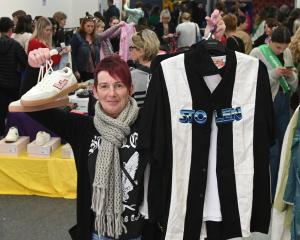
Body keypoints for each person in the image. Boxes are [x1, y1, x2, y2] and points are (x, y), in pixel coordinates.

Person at [24, 52, 147, 240]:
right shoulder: (82, 129)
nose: (111, 93)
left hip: (139, 232)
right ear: (95, 91)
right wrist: (34, 68)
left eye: (119, 85)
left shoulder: (147, 123)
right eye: (104, 86)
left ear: (130, 88)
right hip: (98, 232)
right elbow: (32, 106)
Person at [250, 26, 298, 199]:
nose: (282, 50)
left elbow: (293, 87)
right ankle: (264, 192)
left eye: (285, 47)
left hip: (284, 104)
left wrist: (291, 76)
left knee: (284, 147)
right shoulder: (257, 53)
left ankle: (279, 191)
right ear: (270, 41)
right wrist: (273, 74)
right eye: (278, 47)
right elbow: (252, 84)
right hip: (265, 105)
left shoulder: (287, 55)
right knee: (269, 149)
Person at [0, 17, 27, 136]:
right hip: (13, 82)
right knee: (16, 109)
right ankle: (17, 132)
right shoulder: (15, 45)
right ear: (11, 29)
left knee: (0, 112)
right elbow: (25, 62)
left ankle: (1, 135)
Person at [129, 29, 160, 107]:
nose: (130, 50)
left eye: (132, 47)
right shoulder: (164, 70)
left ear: (141, 51)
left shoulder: (133, 76)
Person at [71, 16, 101, 82]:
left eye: (92, 26)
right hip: (81, 70)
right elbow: (72, 55)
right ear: (83, 26)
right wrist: (75, 70)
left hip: (94, 70)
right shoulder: (76, 36)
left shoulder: (97, 38)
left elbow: (98, 56)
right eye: (88, 26)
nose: (90, 28)